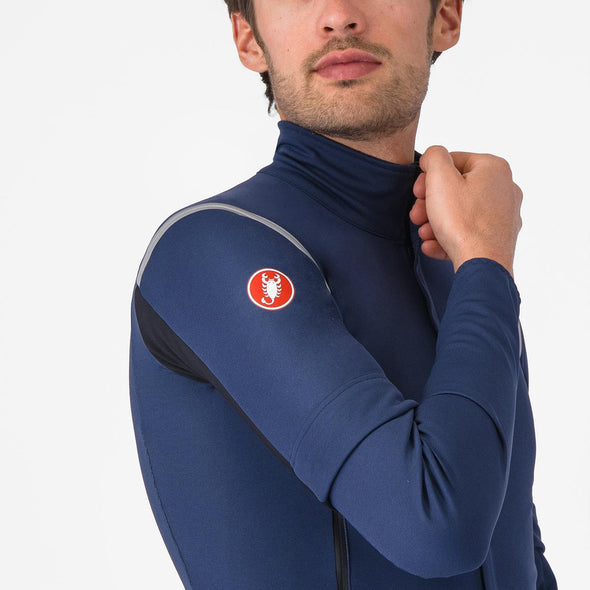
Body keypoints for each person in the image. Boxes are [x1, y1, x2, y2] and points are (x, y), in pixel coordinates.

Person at [128, 1, 558, 588]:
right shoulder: (211, 250)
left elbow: (515, 548)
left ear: (446, 17)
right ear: (249, 38)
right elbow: (437, 528)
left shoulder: (457, 242)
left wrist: (479, 260)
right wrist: (486, 262)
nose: (338, 15)